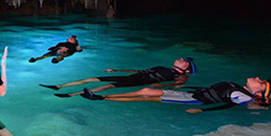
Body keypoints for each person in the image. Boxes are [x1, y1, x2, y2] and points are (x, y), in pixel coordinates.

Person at [80, 77, 271, 114]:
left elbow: (227, 105)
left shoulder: (245, 97)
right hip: (192, 94)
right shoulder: (240, 88)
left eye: (260, 81)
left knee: (146, 93)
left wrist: (202, 110)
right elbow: (214, 88)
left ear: (258, 91)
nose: (257, 77)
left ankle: (101, 98)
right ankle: (101, 98)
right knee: (146, 95)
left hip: (193, 99)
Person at [42, 57, 196, 98]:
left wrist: (159, 87)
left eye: (185, 61)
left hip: (139, 81)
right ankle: (59, 86)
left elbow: (177, 86)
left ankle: (72, 94)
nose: (181, 59)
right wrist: (115, 69)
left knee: (109, 86)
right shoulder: (164, 68)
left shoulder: (179, 76)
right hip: (135, 76)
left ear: (186, 70)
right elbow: (138, 70)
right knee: (92, 78)